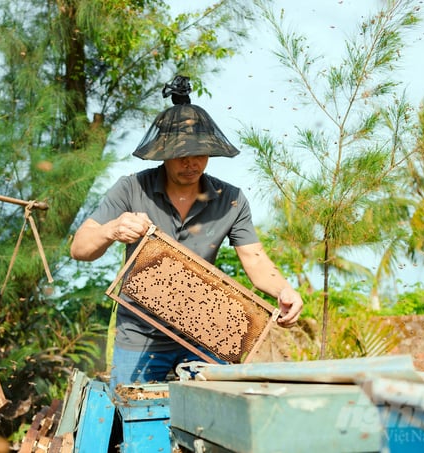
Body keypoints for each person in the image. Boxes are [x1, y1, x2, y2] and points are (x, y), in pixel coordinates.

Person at [70, 76, 303, 389]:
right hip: (140, 334)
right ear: (163, 152)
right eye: (181, 154)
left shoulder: (231, 199)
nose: (191, 163)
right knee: (134, 416)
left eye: (200, 153)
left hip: (207, 330)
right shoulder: (131, 188)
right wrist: (112, 228)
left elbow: (255, 259)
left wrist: (284, 291)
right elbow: (80, 248)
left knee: (217, 416)